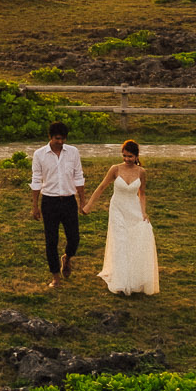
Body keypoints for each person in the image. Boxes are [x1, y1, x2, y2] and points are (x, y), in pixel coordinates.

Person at [83, 140, 160, 295]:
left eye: (130, 156)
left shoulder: (141, 172)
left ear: (136, 156)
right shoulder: (115, 169)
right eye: (124, 156)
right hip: (117, 208)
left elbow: (142, 193)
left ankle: (133, 278)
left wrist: (144, 212)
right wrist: (89, 205)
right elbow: (102, 187)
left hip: (133, 209)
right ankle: (120, 282)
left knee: (133, 241)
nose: (126, 159)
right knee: (120, 241)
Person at [28, 120, 84, 287]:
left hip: (68, 201)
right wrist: (35, 206)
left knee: (74, 238)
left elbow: (79, 177)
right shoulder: (39, 155)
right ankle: (55, 277)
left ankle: (67, 257)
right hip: (49, 202)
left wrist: (83, 202)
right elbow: (36, 180)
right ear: (50, 137)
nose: (60, 142)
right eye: (57, 138)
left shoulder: (73, 152)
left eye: (63, 139)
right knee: (51, 241)